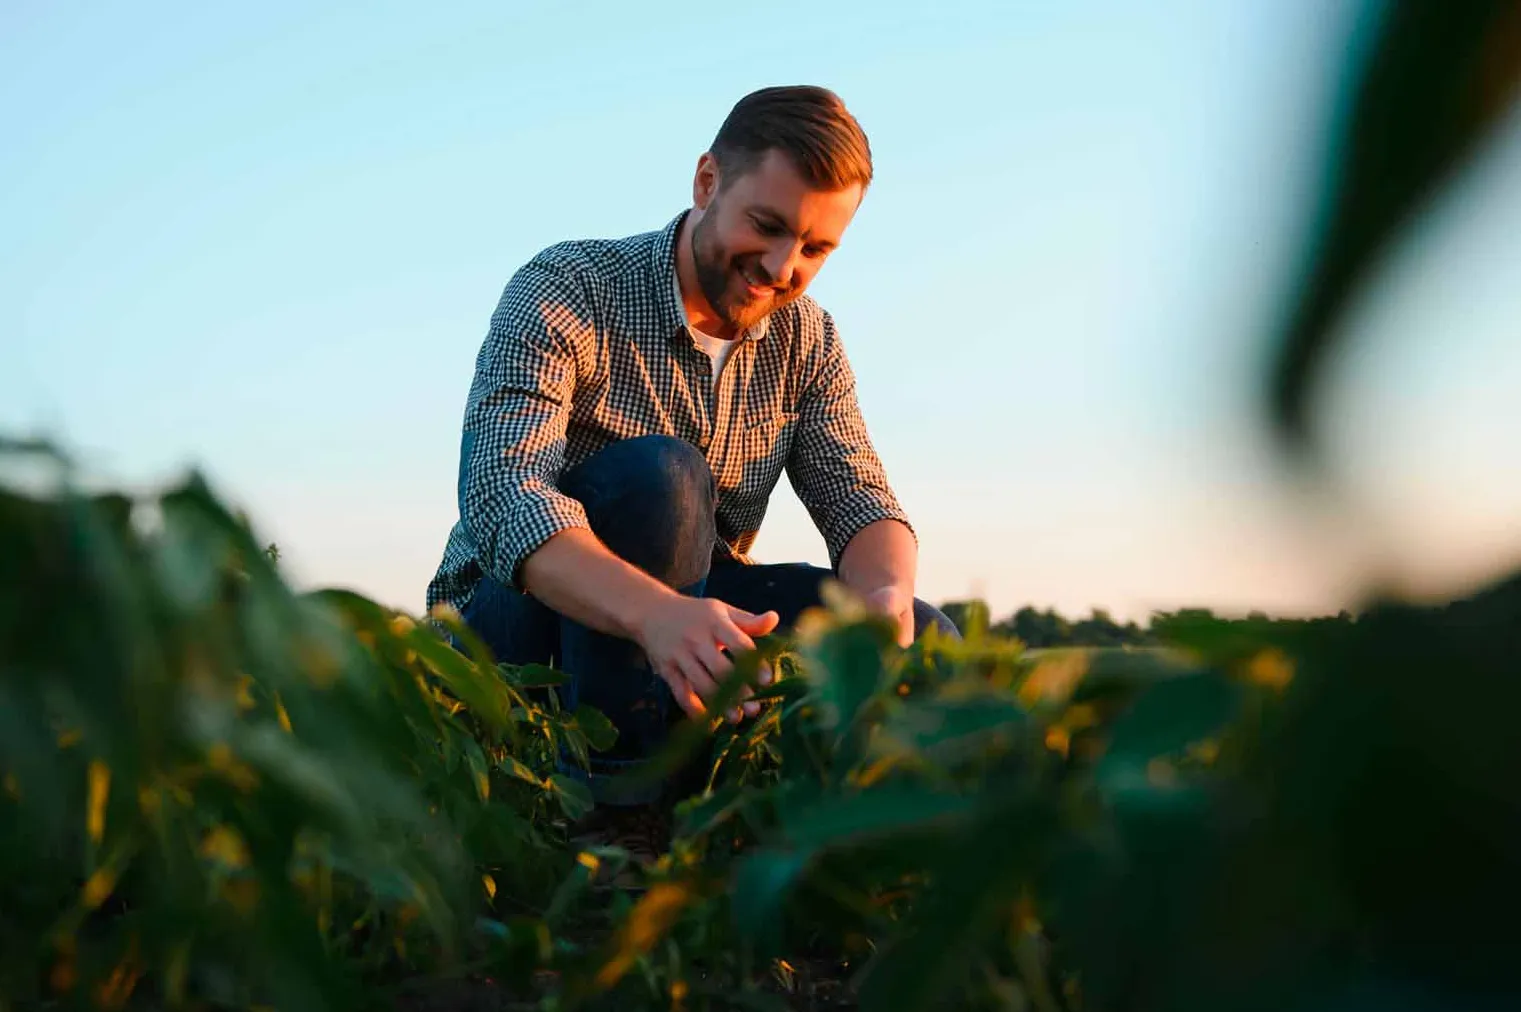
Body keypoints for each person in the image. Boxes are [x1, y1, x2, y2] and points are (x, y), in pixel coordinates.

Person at [426, 84, 958, 830]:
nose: (781, 266)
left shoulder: (809, 341)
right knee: (663, 480)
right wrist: (656, 614)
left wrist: (883, 605)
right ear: (707, 182)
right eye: (766, 226)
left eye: (815, 248)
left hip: (682, 634)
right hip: (510, 635)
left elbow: (860, 499)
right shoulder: (570, 287)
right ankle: (620, 819)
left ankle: (821, 834)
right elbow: (502, 497)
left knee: (927, 634)